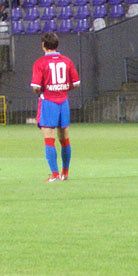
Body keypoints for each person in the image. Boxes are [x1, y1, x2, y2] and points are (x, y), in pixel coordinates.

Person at [30, 31, 80, 182]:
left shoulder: (40, 63)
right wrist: (63, 89)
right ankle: (65, 172)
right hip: (63, 101)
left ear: (43, 46)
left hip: (49, 102)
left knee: (49, 139)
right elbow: (76, 83)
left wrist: (43, 93)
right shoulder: (67, 61)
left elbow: (36, 86)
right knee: (64, 139)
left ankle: (54, 174)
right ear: (57, 45)